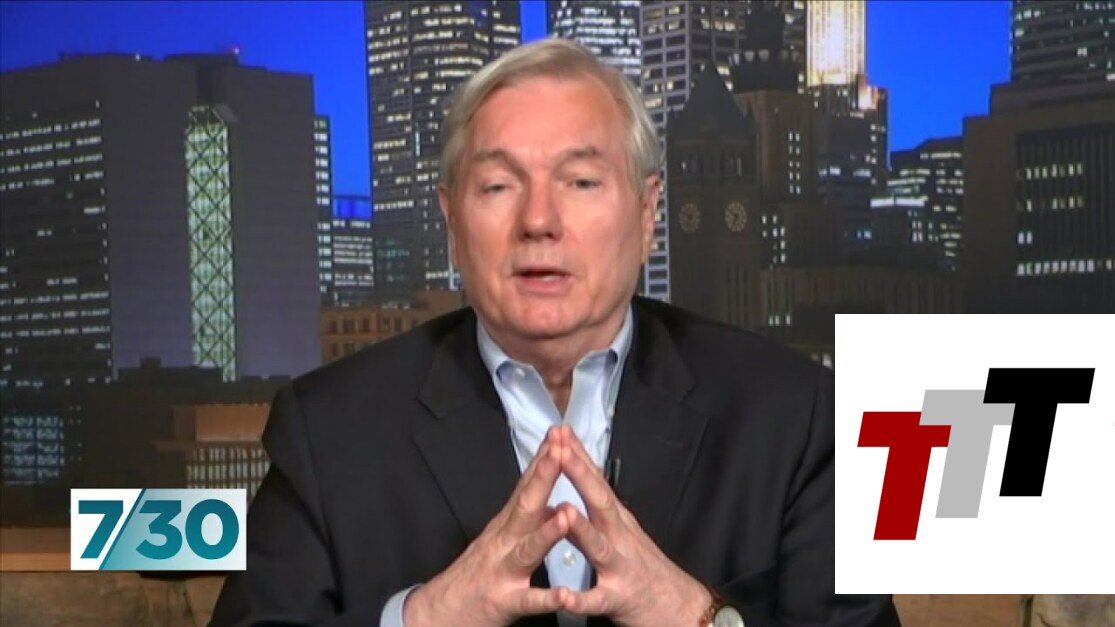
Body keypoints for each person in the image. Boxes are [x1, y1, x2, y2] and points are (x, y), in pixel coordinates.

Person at [211, 38, 900, 627]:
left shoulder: (794, 417)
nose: (538, 220)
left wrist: (694, 614)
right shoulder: (328, 434)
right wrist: (423, 617)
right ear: (451, 220)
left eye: (580, 181)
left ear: (648, 212)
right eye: (498, 186)